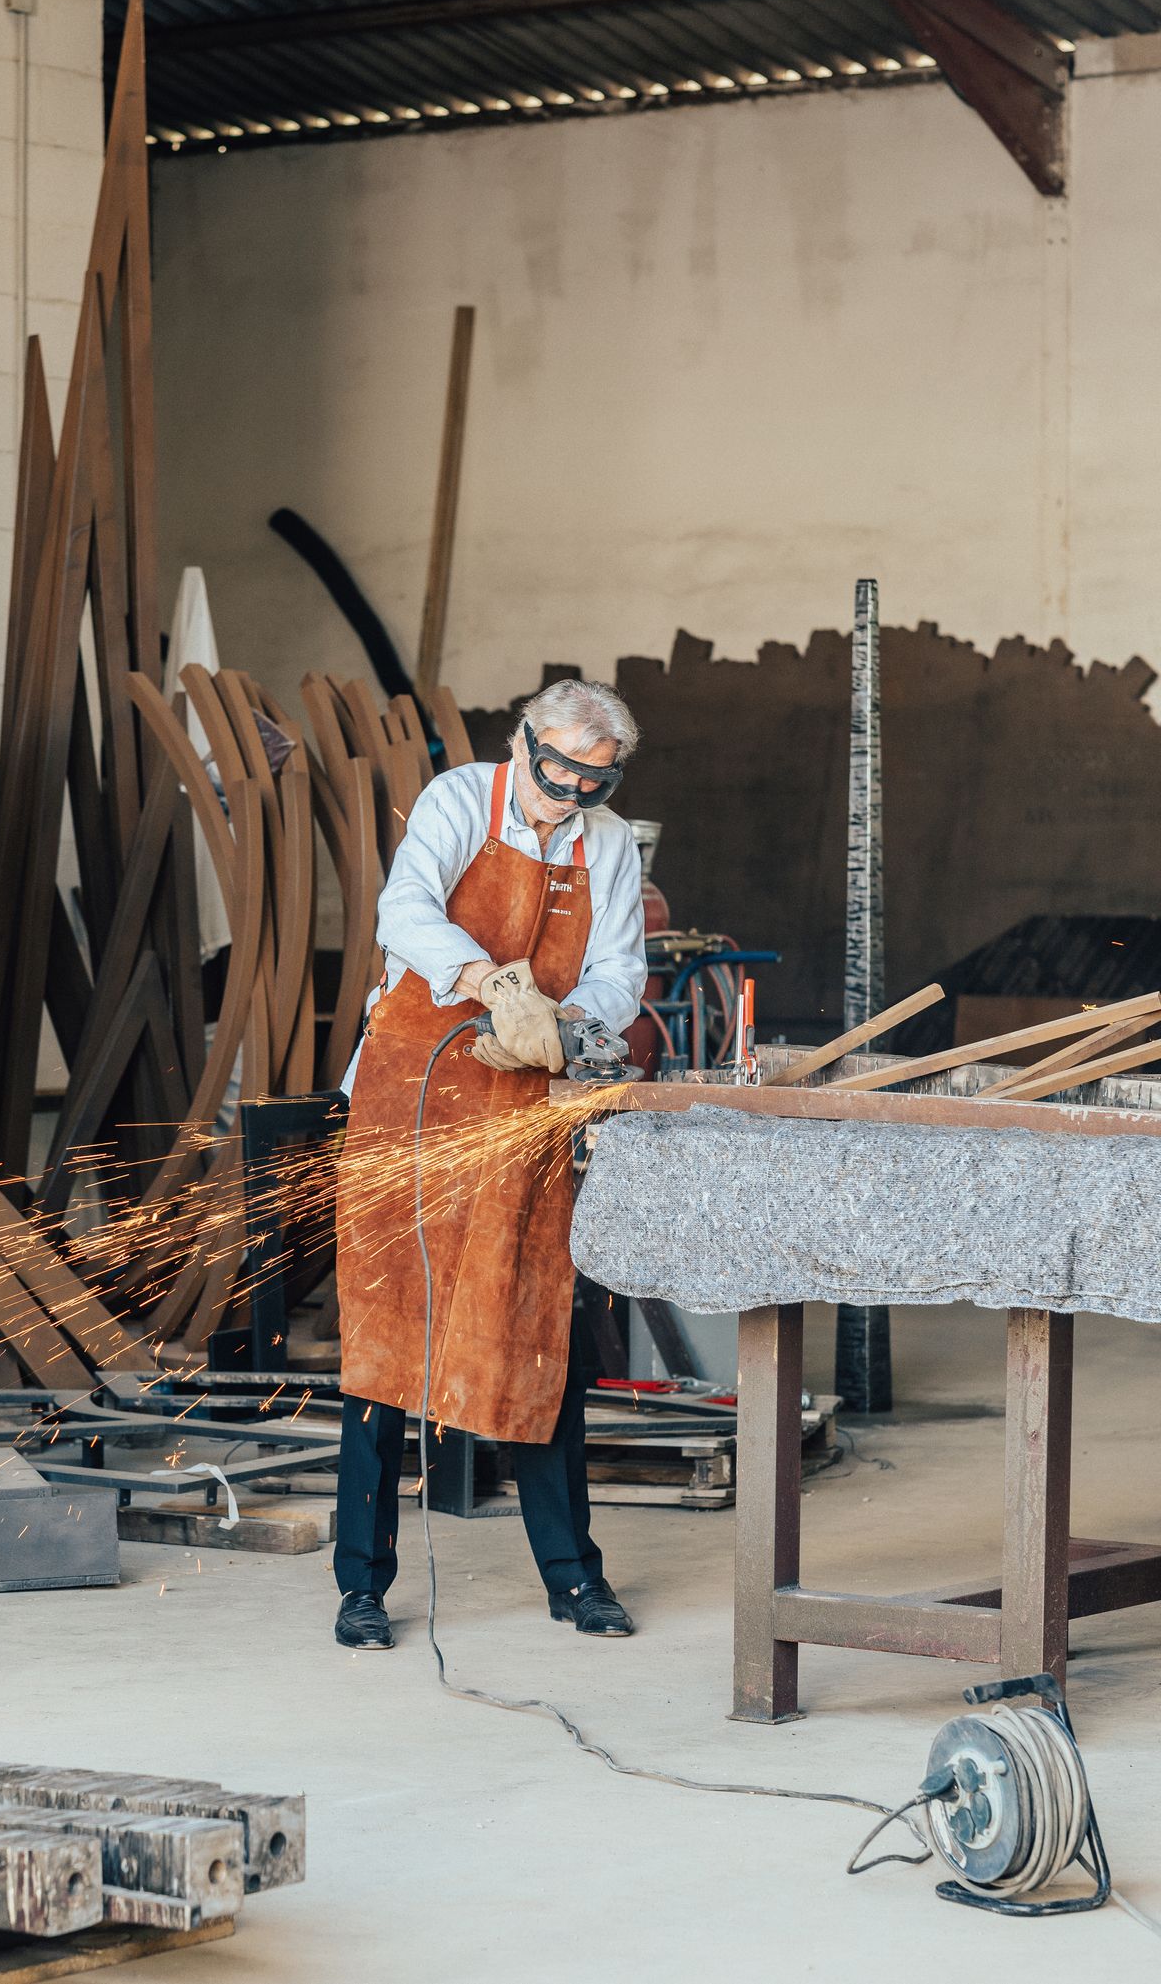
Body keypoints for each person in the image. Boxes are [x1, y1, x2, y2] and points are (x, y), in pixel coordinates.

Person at [332, 678, 647, 1650]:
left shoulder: (611, 847)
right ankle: (361, 1587)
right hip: (411, 1097)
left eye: (591, 782)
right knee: (386, 1341)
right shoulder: (459, 800)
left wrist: (559, 1027)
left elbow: (621, 978)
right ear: (522, 747)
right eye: (555, 770)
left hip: (522, 1106)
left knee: (532, 1328)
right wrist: (488, 980)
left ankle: (573, 1579)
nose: (568, 794)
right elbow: (404, 910)